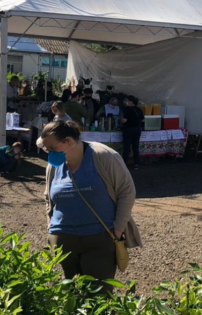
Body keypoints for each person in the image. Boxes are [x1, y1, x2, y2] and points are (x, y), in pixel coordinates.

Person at [40, 121, 142, 288]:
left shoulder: (104, 156)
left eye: (52, 148)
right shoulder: (54, 166)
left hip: (99, 239)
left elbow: (127, 192)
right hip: (63, 241)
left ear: (68, 141)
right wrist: (51, 226)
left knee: (98, 295)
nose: (49, 154)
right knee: (71, 296)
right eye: (47, 149)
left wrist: (117, 229)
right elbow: (48, 197)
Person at [121, 96, 144, 169]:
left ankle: (124, 163)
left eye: (128, 101)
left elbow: (124, 120)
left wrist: (121, 119)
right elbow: (142, 120)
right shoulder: (139, 110)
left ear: (131, 102)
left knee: (127, 147)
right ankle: (136, 163)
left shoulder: (127, 110)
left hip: (128, 130)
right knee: (135, 147)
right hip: (137, 130)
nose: (127, 102)